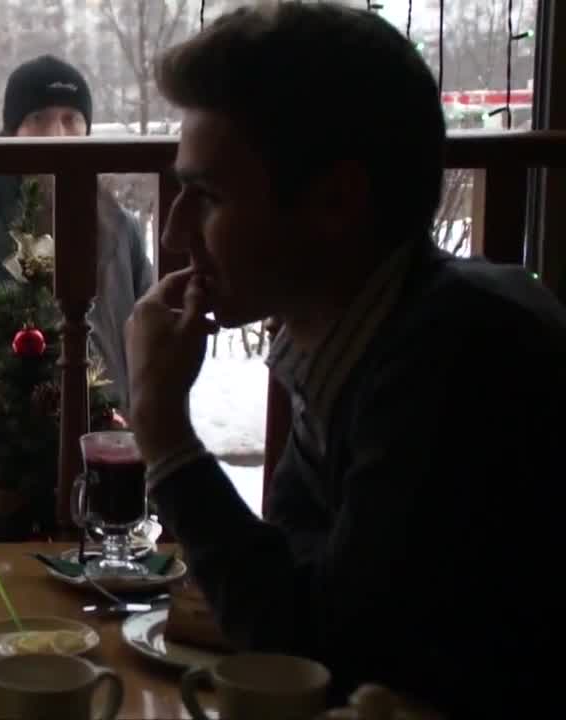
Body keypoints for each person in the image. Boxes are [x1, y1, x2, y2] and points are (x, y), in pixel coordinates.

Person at [125, 4, 561, 716]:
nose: (174, 233)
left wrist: (162, 429)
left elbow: (317, 651)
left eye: (207, 197)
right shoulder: (356, 339)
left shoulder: (467, 357)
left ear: (335, 201)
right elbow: (298, 584)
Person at [0, 55, 154, 426]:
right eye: (39, 119)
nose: (57, 136)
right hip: (10, 452)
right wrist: (5, 428)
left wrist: (133, 421)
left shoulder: (118, 227)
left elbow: (150, 334)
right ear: (12, 133)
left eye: (71, 119)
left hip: (111, 445)